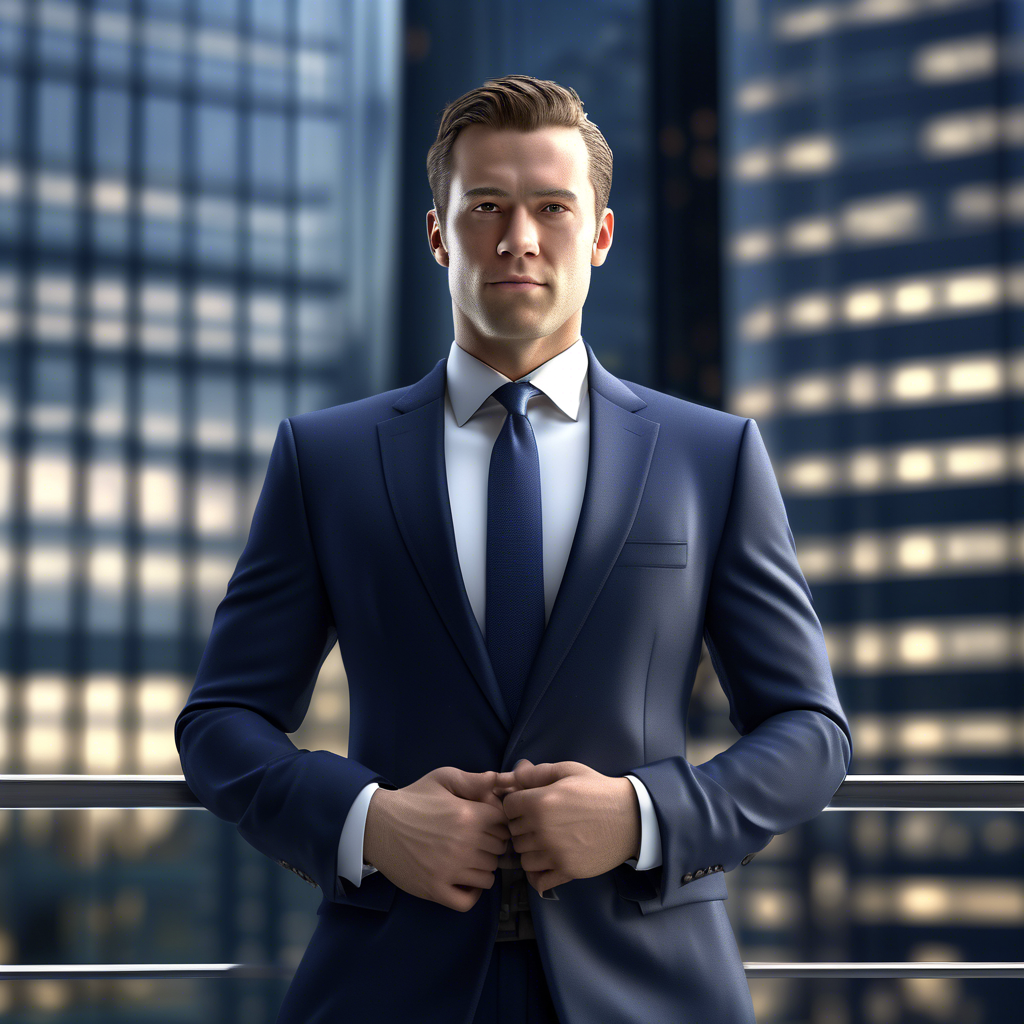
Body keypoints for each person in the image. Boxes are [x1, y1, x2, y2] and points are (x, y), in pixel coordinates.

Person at [174, 74, 853, 1024]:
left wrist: (643, 817)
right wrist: (369, 823)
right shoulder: (324, 459)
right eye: (485, 206)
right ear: (439, 234)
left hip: (651, 985)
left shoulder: (713, 457)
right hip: (387, 982)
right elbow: (219, 724)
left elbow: (811, 733)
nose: (518, 238)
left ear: (601, 236)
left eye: (552, 208)